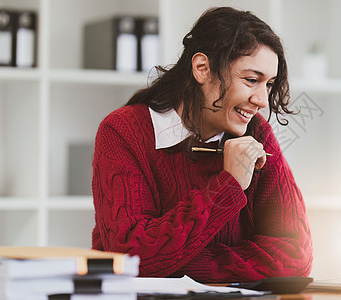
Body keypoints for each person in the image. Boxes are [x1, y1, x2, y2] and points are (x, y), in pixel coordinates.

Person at [91, 6, 313, 282]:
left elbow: (295, 256)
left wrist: (179, 264)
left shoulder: (257, 133)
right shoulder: (123, 132)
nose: (262, 100)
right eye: (251, 80)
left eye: (268, 85)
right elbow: (131, 257)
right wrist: (228, 185)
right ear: (202, 68)